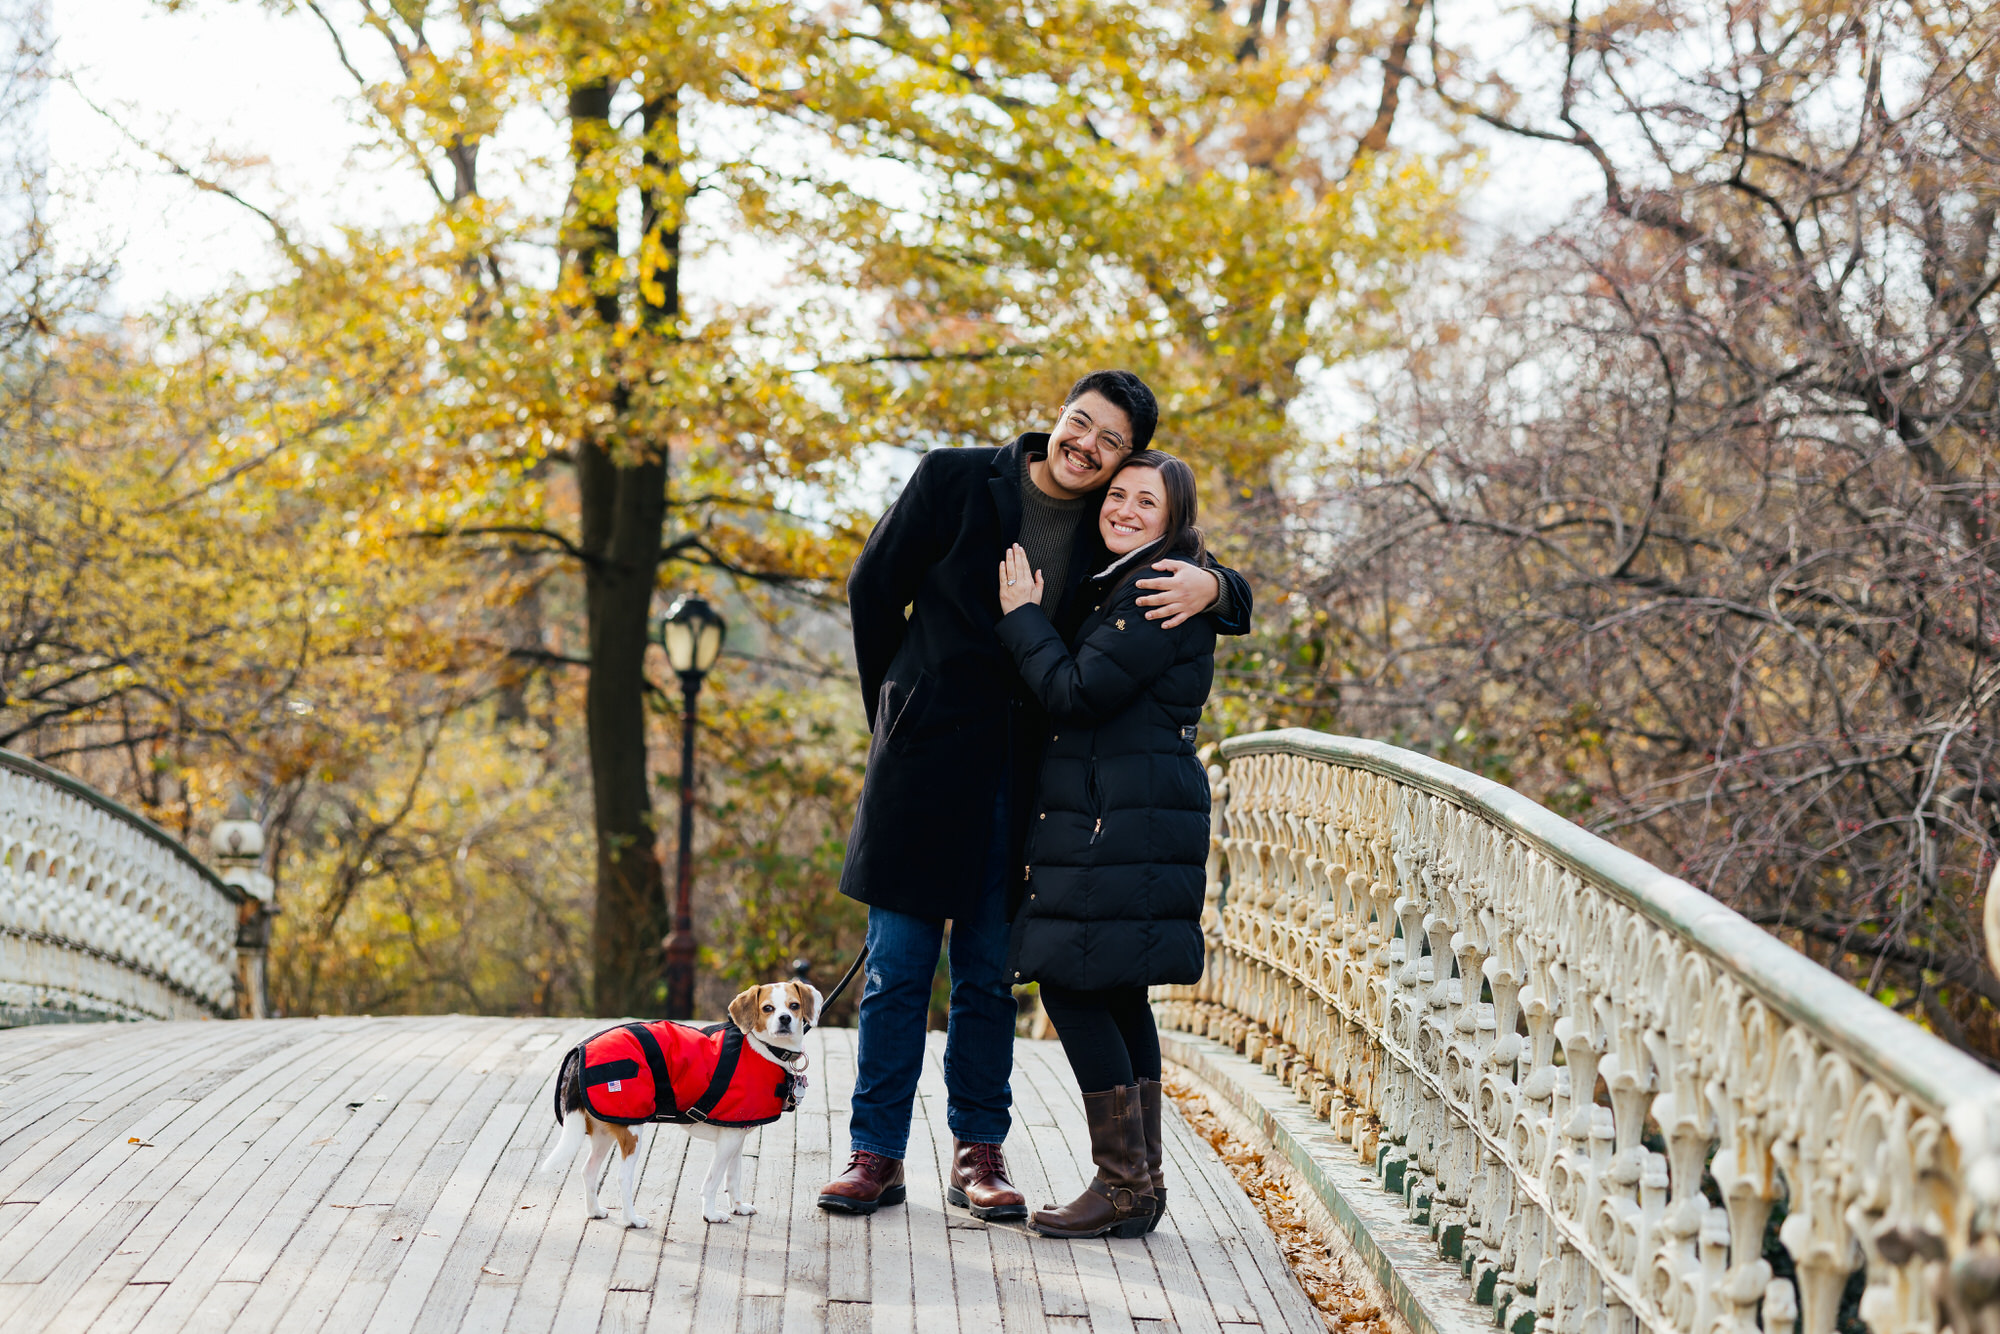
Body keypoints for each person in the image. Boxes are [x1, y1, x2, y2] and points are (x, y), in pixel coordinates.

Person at [820, 372, 1252, 1219]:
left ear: (1124, 458)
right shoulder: (953, 478)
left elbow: (1176, 555)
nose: (1087, 446)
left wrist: (1220, 588)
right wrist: (895, 707)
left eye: (1111, 443)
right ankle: (874, 1154)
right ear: (1060, 416)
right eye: (1080, 424)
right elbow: (873, 588)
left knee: (988, 974)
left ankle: (979, 1152)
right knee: (899, 970)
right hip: (921, 767)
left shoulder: (1104, 527)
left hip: (1025, 779)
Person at [993, 449, 1216, 1239]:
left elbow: (1077, 692)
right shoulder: (1149, 575)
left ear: (1173, 519)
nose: (1122, 508)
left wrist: (1021, 613)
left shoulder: (1154, 587)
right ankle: (1141, 1184)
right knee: (1115, 990)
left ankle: (1123, 1182)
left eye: (1144, 501)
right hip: (1130, 809)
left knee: (1076, 985)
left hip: (1122, 814)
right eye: (1116, 494)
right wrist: (1221, 584)